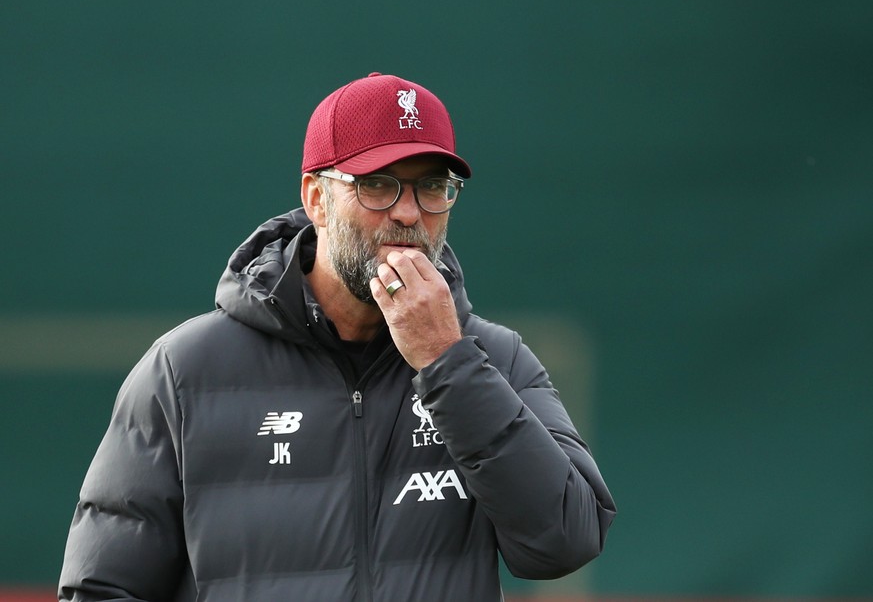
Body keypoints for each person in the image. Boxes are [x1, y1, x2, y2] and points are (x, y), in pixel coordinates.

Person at [59, 72, 616, 601]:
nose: (407, 213)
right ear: (317, 199)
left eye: (433, 187)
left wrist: (447, 362)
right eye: (377, 185)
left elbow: (564, 542)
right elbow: (102, 586)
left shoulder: (493, 360)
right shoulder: (185, 372)